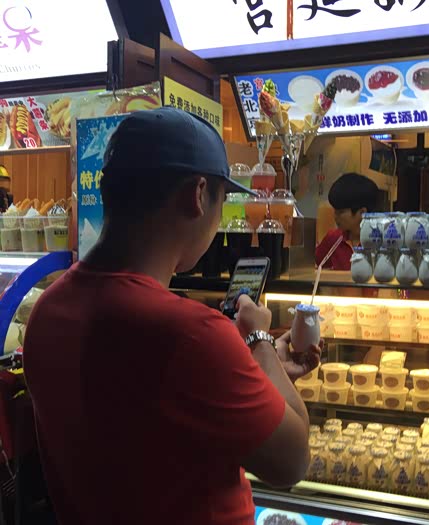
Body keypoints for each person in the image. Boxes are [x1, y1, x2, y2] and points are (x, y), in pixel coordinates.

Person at [23, 108, 320, 525]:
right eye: (222, 200)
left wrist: (255, 369)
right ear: (198, 194)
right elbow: (291, 461)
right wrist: (259, 341)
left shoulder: (48, 311)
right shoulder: (191, 335)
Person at [315, 172, 379, 270]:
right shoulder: (333, 239)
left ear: (362, 212)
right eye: (335, 211)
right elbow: (312, 266)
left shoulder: (383, 243)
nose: (335, 216)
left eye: (340, 212)